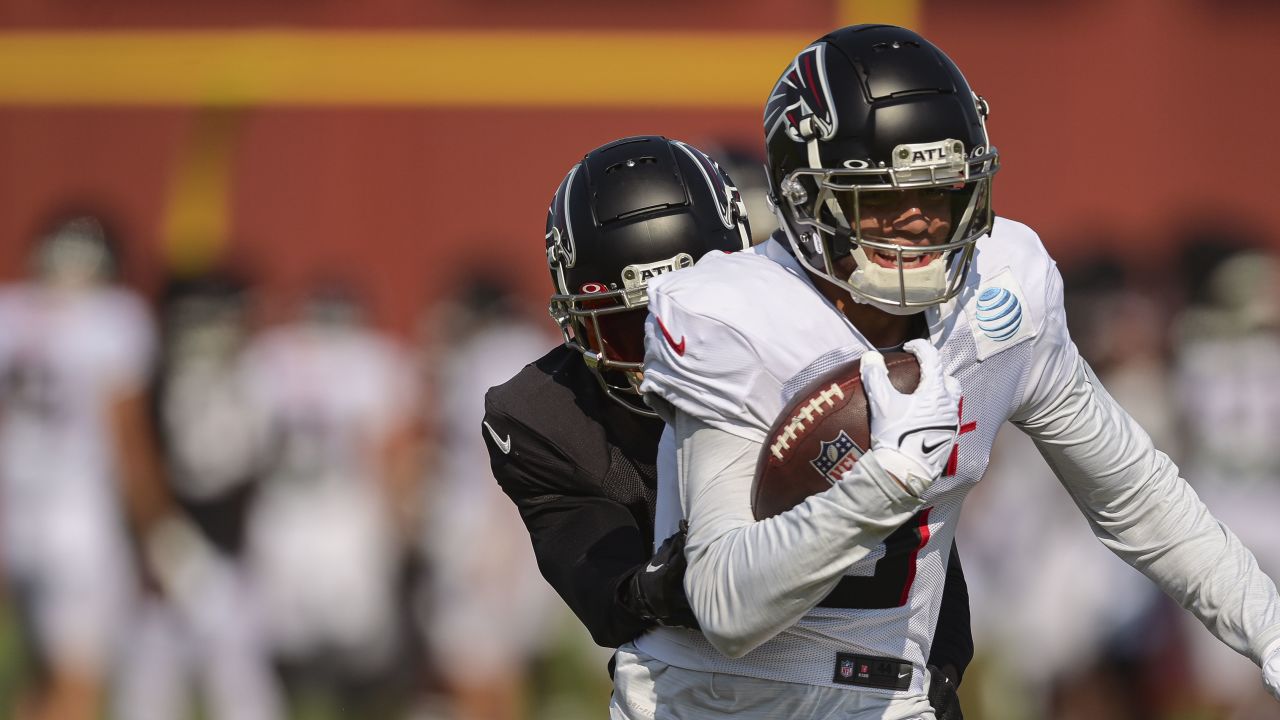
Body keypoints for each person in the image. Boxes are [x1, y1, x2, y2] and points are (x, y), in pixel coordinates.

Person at [615, 24, 1280, 720]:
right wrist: (886, 482)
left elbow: (1134, 495)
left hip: (888, 696)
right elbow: (725, 605)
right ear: (805, 197)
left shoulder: (1000, 293)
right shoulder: (730, 315)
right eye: (882, 196)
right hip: (713, 699)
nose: (921, 221)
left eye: (939, 192)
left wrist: (1268, 631)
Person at [482, 135, 974, 718]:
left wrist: (936, 666)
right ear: (576, 321)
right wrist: (673, 583)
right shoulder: (543, 417)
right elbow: (603, 589)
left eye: (695, 315)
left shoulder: (815, 343)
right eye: (628, 328)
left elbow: (916, 545)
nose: (666, 348)